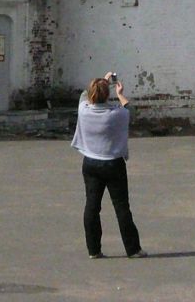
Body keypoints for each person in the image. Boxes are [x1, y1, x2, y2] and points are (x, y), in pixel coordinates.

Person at [72, 71, 142, 259]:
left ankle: (94, 250)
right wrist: (119, 93)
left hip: (90, 163)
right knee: (121, 207)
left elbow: (83, 96)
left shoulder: (84, 110)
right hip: (113, 164)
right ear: (107, 95)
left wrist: (103, 80)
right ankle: (133, 249)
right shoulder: (115, 114)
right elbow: (131, 111)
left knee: (92, 207)